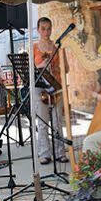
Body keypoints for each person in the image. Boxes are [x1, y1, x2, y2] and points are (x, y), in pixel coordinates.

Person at [33, 17, 69, 165]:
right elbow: (31, 70)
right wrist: (42, 64)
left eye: (49, 28)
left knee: (57, 121)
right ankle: (44, 153)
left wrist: (56, 66)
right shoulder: (34, 47)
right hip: (40, 87)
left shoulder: (58, 47)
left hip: (56, 86)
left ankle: (60, 152)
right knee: (42, 121)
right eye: (43, 28)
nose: (46, 32)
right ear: (38, 30)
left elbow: (66, 68)